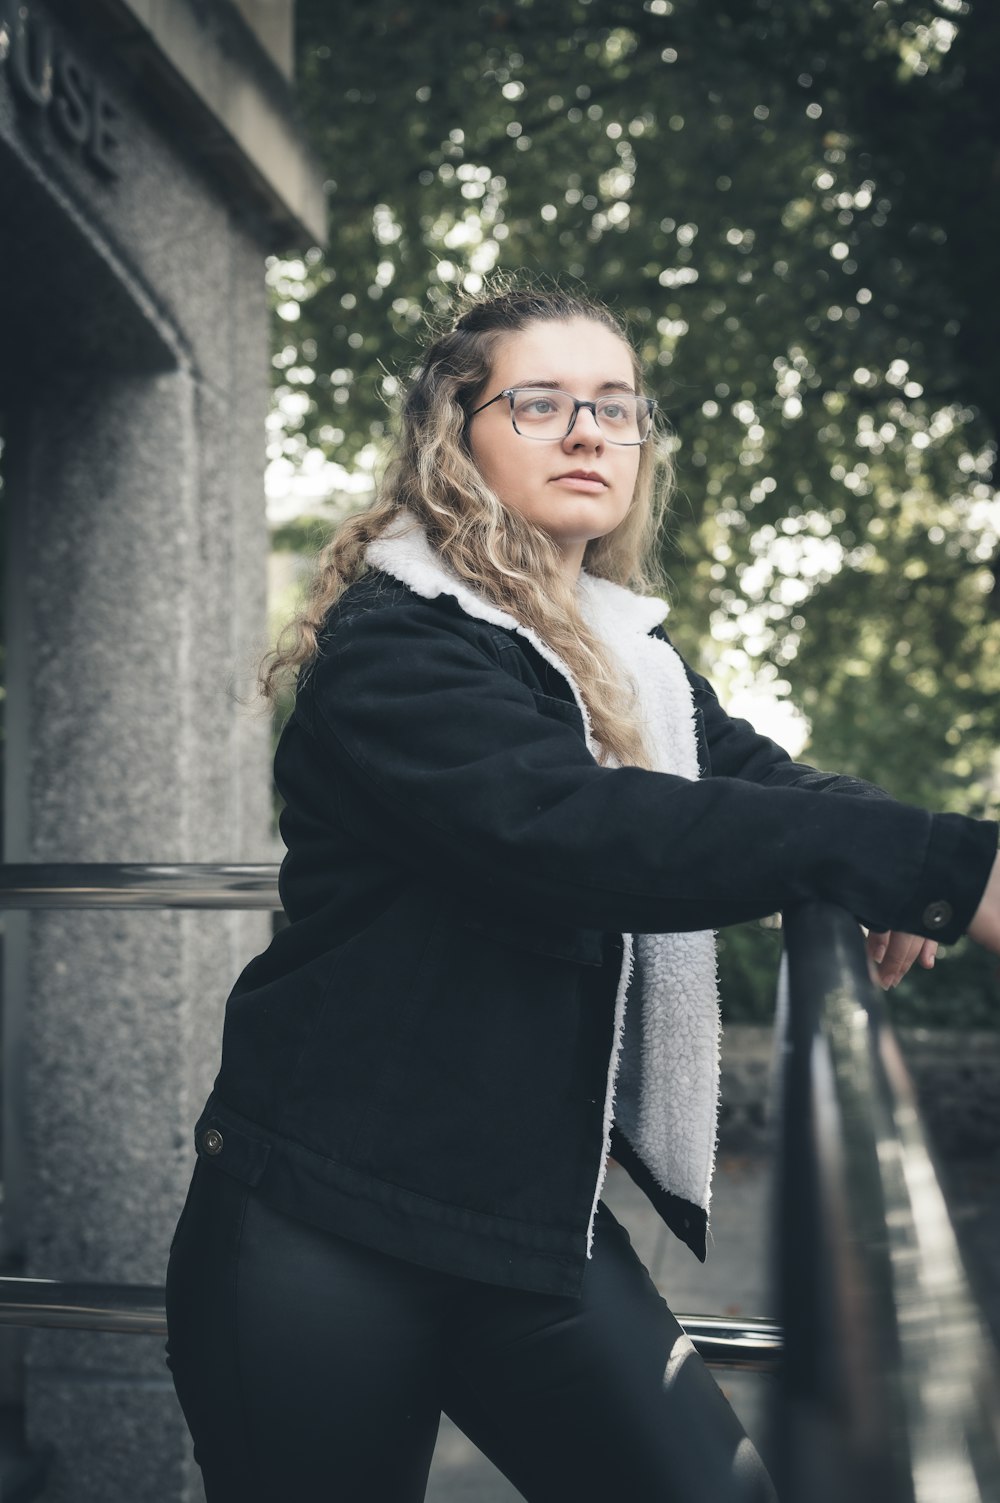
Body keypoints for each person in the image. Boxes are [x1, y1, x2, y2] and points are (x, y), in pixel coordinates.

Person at [165, 283, 1000, 1503]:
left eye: (615, 406)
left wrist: (899, 854)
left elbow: (763, 785)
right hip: (317, 1228)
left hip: (526, 1229)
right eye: (541, 402)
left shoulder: (628, 658)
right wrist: (941, 870)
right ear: (457, 433)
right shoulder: (394, 644)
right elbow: (577, 831)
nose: (588, 431)